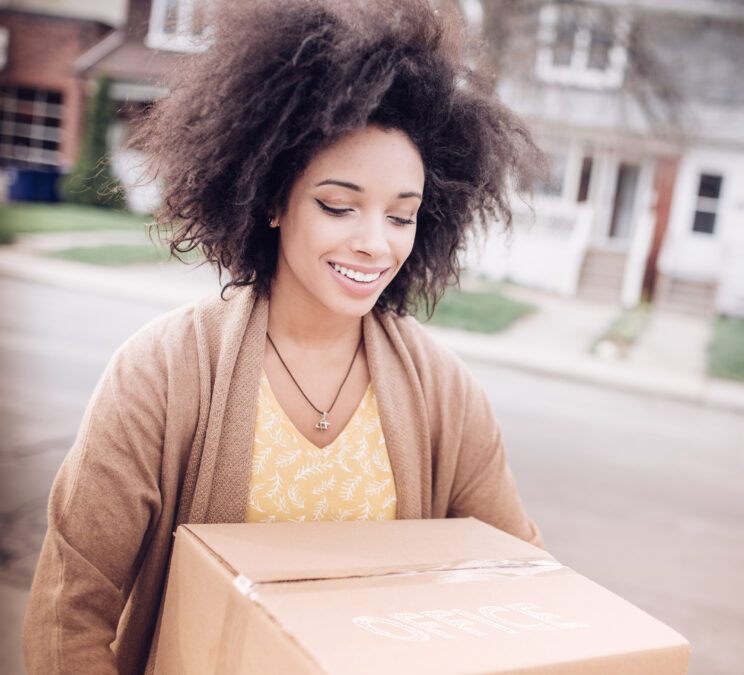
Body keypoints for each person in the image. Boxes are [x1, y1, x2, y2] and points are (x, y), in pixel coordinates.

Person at [22, 0, 543, 671]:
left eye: (401, 215)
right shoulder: (163, 371)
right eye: (338, 204)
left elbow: (523, 584)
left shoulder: (443, 390)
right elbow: (69, 612)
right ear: (272, 198)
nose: (374, 244)